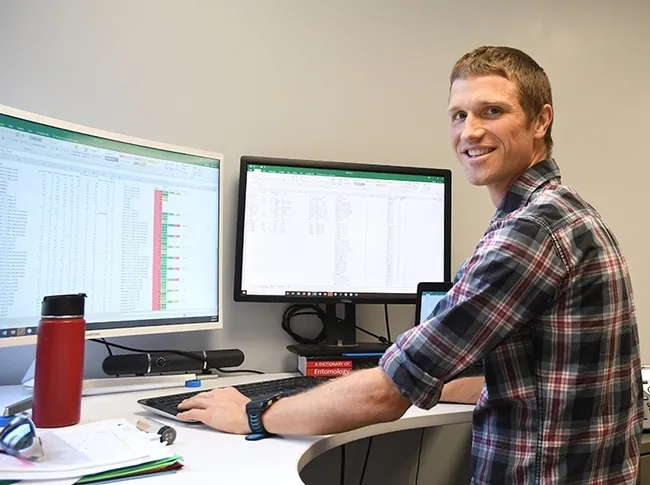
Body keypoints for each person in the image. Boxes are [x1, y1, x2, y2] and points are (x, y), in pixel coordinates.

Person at [177, 46, 644, 484]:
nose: (470, 132)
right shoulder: (564, 211)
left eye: (492, 111)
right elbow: (525, 381)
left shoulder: (531, 232)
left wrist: (252, 414)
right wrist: (430, 384)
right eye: (459, 115)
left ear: (541, 121)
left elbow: (386, 394)